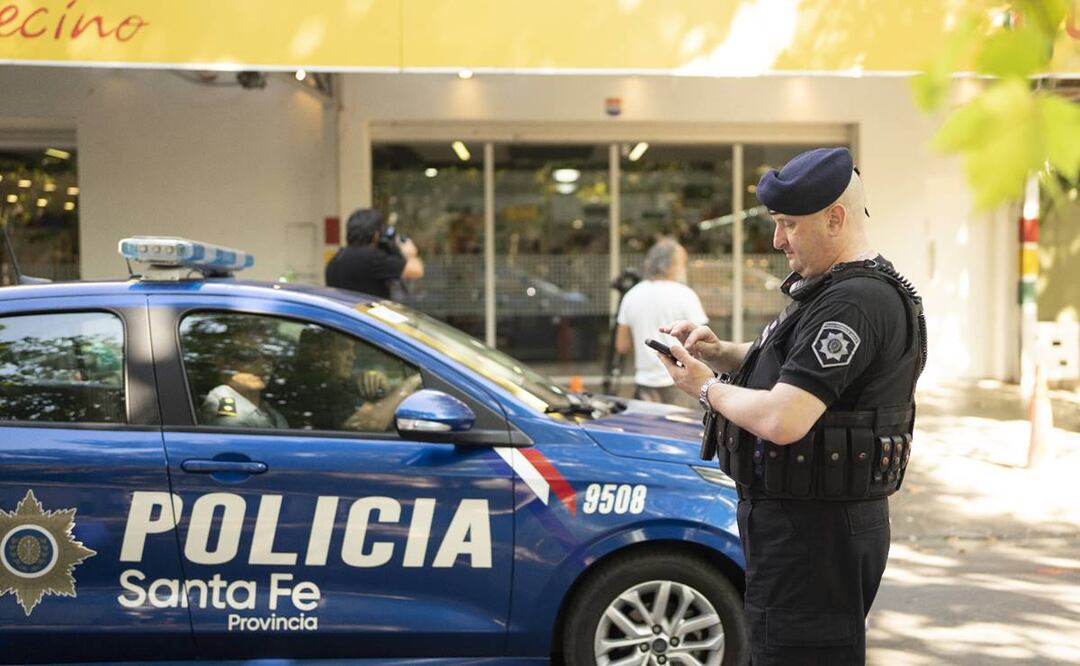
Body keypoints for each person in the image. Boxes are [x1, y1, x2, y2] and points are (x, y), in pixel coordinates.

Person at [656, 147, 926, 665]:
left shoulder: (853, 303)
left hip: (813, 537)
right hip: (809, 526)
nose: (778, 240)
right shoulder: (840, 291)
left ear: (835, 218)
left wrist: (705, 387)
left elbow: (785, 418)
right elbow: (806, 374)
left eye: (788, 225)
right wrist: (721, 353)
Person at [614, 238, 708, 407]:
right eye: (683, 263)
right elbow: (701, 343)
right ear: (673, 265)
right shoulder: (686, 295)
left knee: (648, 432)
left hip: (645, 385)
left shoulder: (632, 295)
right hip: (682, 384)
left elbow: (622, 346)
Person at [285, 327, 423, 432]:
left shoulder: (334, 382)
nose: (352, 357)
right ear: (318, 352)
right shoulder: (317, 387)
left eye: (352, 350)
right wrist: (411, 383)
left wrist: (379, 382)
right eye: (343, 349)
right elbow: (373, 422)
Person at [325, 208, 424, 298]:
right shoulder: (371, 258)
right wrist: (411, 253)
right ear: (375, 234)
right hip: (368, 316)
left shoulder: (335, 260)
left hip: (347, 316)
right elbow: (416, 270)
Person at [200, 348, 289, 428]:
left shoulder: (270, 411)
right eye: (247, 355)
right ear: (223, 364)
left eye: (269, 355)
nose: (263, 364)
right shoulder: (224, 404)